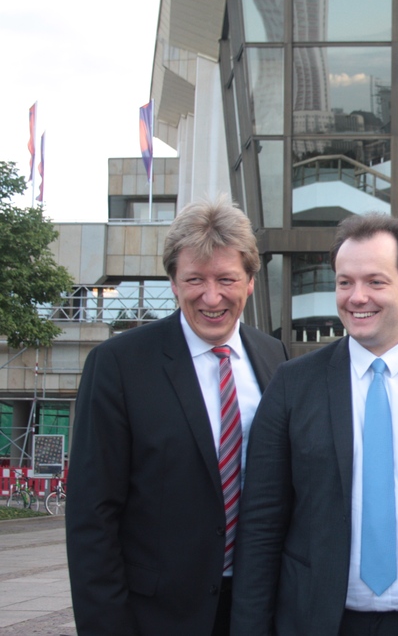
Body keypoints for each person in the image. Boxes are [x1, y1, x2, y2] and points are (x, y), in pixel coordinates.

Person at [230, 213, 398, 636]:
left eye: (375, 282)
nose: (356, 297)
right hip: (321, 623)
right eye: (344, 282)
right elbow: (262, 525)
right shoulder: (293, 385)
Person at [66, 198, 288, 636]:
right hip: (157, 616)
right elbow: (92, 515)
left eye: (226, 279)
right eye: (194, 280)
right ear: (172, 282)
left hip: (256, 607)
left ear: (249, 283)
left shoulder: (274, 357)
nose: (211, 297)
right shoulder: (118, 365)